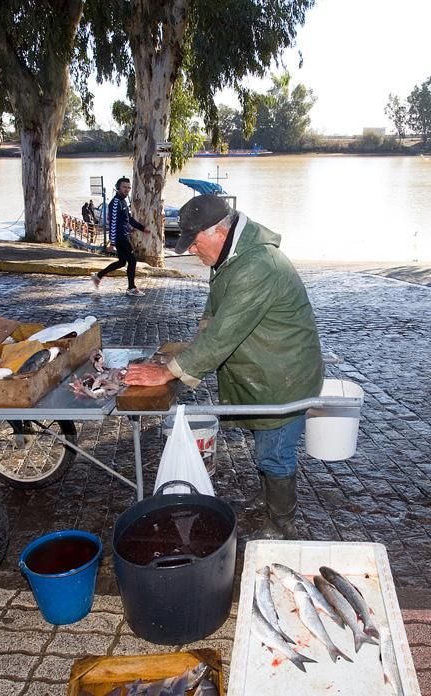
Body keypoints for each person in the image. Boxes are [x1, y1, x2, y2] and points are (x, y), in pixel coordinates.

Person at [124, 195, 323, 539]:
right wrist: (191, 347)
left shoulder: (257, 266)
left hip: (283, 376)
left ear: (218, 231)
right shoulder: (232, 255)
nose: (189, 251)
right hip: (267, 367)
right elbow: (214, 316)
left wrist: (167, 371)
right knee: (267, 447)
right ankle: (268, 502)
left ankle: (282, 526)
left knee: (274, 455)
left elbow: (222, 336)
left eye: (193, 242)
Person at [91, 177, 151, 296]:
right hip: (120, 237)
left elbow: (128, 219)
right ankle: (131, 288)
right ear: (118, 187)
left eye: (129, 187)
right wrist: (112, 243)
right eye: (124, 187)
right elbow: (112, 224)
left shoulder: (123, 201)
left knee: (122, 262)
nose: (127, 189)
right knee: (132, 261)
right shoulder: (115, 203)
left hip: (123, 235)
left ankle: (98, 276)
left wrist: (142, 228)